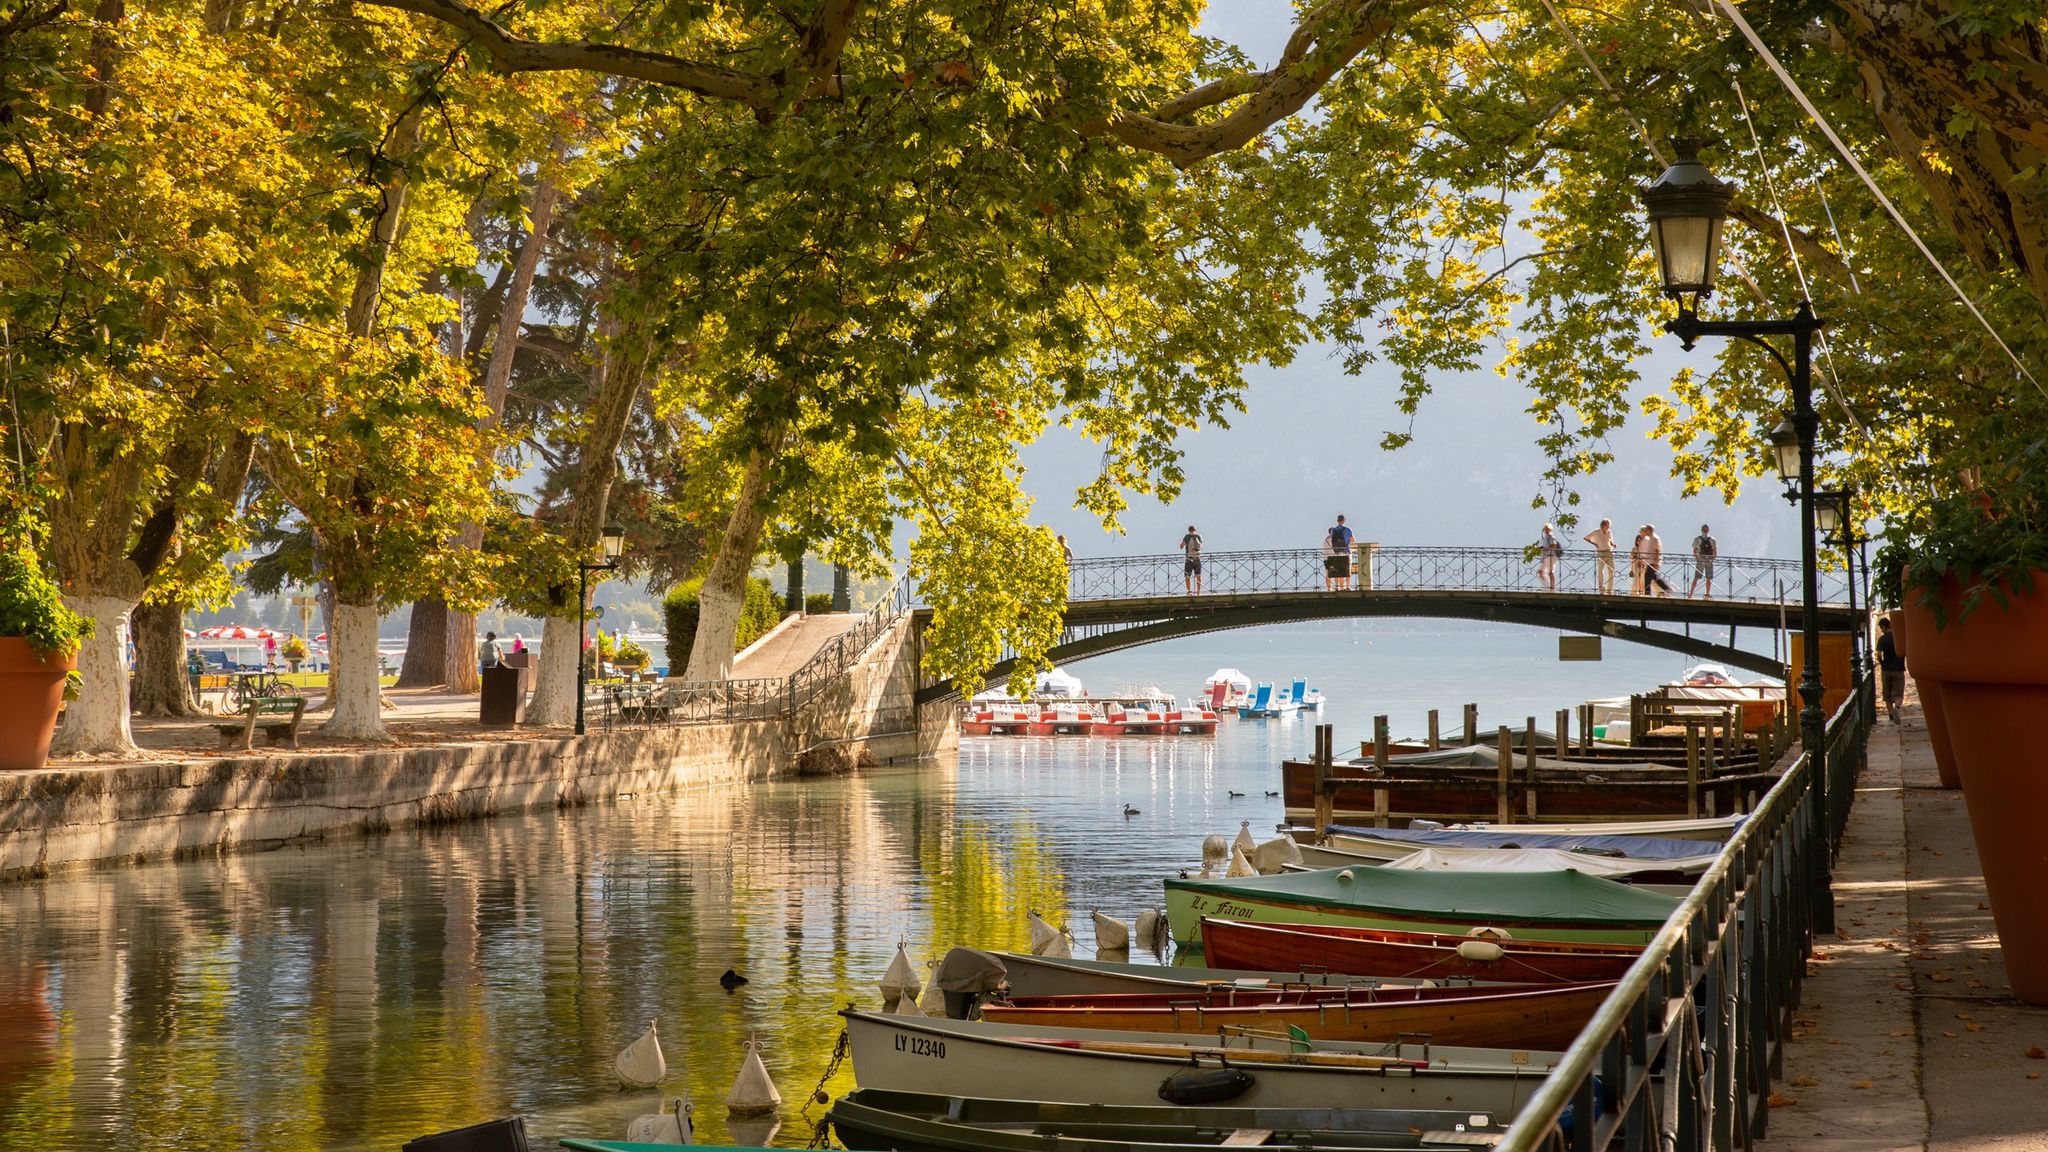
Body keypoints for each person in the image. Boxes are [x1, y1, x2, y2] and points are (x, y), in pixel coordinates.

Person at [1876, 616, 1906, 723]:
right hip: (1899, 670)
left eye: (1881, 628)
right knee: (1899, 694)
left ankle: (1891, 716)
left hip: (1886, 670)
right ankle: (1897, 708)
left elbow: (1879, 654)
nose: (1881, 631)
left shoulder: (1882, 639)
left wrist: (1882, 663)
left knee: (1887, 695)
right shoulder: (1899, 638)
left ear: (1884, 627)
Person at [1583, 518, 1617, 595]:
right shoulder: (1596, 532)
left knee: (1612, 570)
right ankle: (1601, 589)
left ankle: (1609, 590)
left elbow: (1610, 541)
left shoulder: (1609, 532)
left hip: (1609, 552)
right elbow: (1586, 538)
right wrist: (1595, 544)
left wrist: (1613, 544)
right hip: (1601, 552)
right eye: (1608, 525)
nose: (1609, 527)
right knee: (1601, 571)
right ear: (1604, 525)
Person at [1324, 515, 1355, 591]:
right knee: (1348, 569)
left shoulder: (1333, 530)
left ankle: (1337, 586)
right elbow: (1353, 540)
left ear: (1337, 521)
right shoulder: (1348, 529)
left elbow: (1332, 541)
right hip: (1346, 551)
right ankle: (1348, 586)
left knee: (1337, 569)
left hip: (1337, 552)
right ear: (1344, 520)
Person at [1688, 524, 1719, 599]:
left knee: (1699, 577)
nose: (1705, 531)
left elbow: (1695, 551)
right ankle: (1704, 594)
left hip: (1702, 560)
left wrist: (1698, 559)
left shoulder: (1698, 539)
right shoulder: (1712, 539)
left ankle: (1692, 593)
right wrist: (1711, 559)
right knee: (1705, 578)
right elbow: (1715, 552)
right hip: (1707, 560)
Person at [1643, 524, 1672, 596]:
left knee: (1647, 577)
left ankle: (1647, 593)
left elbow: (1657, 550)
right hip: (1651, 561)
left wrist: (1656, 562)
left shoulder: (1655, 538)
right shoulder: (1650, 538)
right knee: (1653, 577)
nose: (1645, 532)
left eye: (1646, 530)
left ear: (1649, 530)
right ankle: (1666, 588)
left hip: (1653, 561)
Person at [1536, 524, 1562, 591]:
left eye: (1546, 529)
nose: (1545, 530)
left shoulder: (1551, 537)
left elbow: (1553, 547)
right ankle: (1547, 586)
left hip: (1551, 556)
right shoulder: (1545, 538)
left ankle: (1552, 588)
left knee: (1551, 572)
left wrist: (1544, 549)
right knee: (1540, 571)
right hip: (1545, 556)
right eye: (1545, 529)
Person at [1179, 525, 1204, 594]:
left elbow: (1181, 546)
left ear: (1189, 530)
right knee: (1198, 575)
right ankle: (1198, 592)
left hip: (1189, 559)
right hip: (1197, 558)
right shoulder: (1199, 536)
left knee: (1187, 576)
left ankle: (1189, 591)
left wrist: (1184, 542)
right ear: (1195, 530)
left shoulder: (1187, 536)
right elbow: (1201, 546)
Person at [1629, 527, 1650, 595]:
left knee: (1642, 580)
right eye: (1638, 540)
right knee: (1637, 579)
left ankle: (1642, 592)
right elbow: (1631, 557)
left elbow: (1648, 557)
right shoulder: (1634, 548)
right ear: (1636, 542)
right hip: (1636, 565)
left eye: (1640, 540)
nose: (1639, 542)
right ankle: (1634, 592)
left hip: (1643, 566)